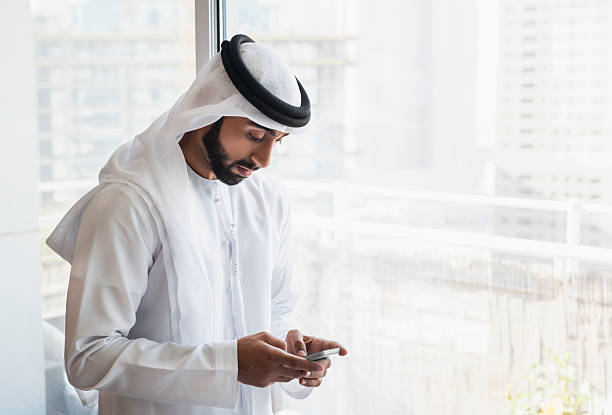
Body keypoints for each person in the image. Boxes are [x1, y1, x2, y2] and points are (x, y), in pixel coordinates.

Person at [46, 34, 348, 415]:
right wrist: (229, 365)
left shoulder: (267, 198)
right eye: (254, 135)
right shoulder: (130, 203)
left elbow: (277, 307)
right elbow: (88, 355)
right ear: (208, 111)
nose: (265, 158)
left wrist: (292, 351)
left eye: (278, 140)